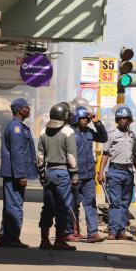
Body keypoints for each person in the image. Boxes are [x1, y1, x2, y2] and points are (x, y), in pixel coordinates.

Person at [37, 102, 78, 251]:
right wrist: (74, 176)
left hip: (49, 172)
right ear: (66, 116)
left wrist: (42, 175)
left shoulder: (43, 131)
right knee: (62, 208)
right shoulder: (68, 132)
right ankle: (60, 241)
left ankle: (44, 240)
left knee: (48, 207)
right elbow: (71, 156)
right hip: (63, 174)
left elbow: (40, 156)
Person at [97, 105, 136, 240]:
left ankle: (121, 231)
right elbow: (105, 155)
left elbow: (134, 156)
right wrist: (100, 173)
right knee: (115, 202)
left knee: (125, 203)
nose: (123, 121)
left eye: (125, 118)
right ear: (117, 120)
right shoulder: (111, 135)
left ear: (129, 120)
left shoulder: (132, 136)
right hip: (115, 171)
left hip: (128, 172)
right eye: (120, 118)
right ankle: (112, 230)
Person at [0, 98, 38, 248]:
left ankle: (5, 237)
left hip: (12, 173)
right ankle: (12, 238)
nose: (29, 109)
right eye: (27, 107)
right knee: (14, 206)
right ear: (20, 110)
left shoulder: (17, 126)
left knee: (10, 205)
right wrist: (21, 175)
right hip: (15, 174)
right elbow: (17, 152)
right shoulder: (16, 127)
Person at [65, 106, 108, 243]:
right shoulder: (70, 132)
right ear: (77, 118)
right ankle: (71, 232)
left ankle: (93, 233)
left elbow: (103, 138)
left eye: (87, 118)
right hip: (75, 175)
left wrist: (97, 123)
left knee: (90, 204)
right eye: (83, 118)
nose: (85, 121)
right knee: (72, 205)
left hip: (89, 176)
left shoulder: (90, 132)